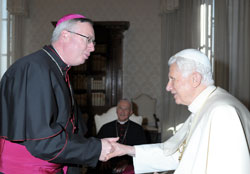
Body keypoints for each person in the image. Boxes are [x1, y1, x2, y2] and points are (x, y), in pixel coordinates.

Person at [0, 13, 118, 174]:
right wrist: (95, 149)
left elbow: (70, 128)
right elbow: (42, 143)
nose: (92, 47)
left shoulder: (56, 69)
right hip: (30, 168)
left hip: (52, 164)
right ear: (65, 35)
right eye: (88, 39)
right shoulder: (35, 69)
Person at [107, 49, 250, 174]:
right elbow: (177, 153)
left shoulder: (222, 112)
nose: (168, 87)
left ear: (195, 79)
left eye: (172, 79)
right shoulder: (206, 106)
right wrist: (127, 150)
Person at [90, 99, 147, 174]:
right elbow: (97, 147)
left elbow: (141, 151)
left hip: (129, 162)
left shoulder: (138, 129)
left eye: (126, 109)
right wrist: (103, 160)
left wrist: (128, 162)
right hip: (107, 162)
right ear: (116, 111)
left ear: (131, 112)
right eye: (120, 108)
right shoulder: (106, 127)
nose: (122, 112)